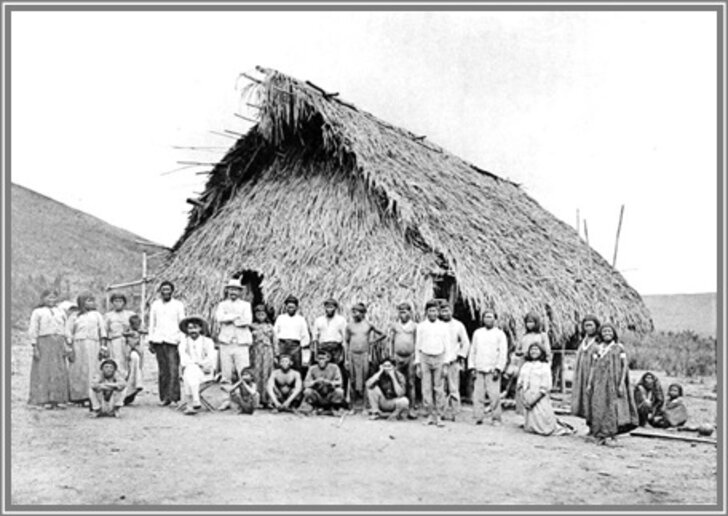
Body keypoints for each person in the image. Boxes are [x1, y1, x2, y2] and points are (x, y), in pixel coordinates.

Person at [586, 323, 639, 445]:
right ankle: (600, 435)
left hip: (613, 382)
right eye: (604, 332)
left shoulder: (619, 347)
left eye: (609, 332)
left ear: (614, 333)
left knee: (612, 407)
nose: (607, 334)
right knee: (598, 406)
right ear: (600, 334)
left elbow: (625, 365)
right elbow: (593, 367)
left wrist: (621, 384)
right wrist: (589, 383)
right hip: (599, 382)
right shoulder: (597, 348)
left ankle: (612, 435)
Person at [28, 289, 71, 409]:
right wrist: (34, 346)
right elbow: (33, 329)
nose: (51, 300)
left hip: (59, 342)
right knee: (43, 370)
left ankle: (57, 399)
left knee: (59, 370)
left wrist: (68, 342)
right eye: (48, 297)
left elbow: (66, 327)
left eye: (53, 297)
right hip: (44, 343)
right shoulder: (38, 312)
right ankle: (42, 399)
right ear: (43, 299)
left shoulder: (61, 311)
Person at [518, 342, 572, 435]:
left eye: (536, 349)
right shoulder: (526, 365)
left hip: (539, 396)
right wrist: (523, 397)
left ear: (541, 352)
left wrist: (533, 400)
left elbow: (545, 386)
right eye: (532, 349)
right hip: (527, 394)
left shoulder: (544, 366)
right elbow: (520, 382)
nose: (534, 352)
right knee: (530, 427)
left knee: (544, 428)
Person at [66, 293, 107, 408]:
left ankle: (92, 396)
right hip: (78, 344)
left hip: (94, 344)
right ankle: (78, 397)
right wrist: (69, 348)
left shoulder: (97, 315)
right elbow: (68, 332)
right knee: (78, 370)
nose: (91, 303)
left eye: (93, 300)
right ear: (81, 302)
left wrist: (103, 347)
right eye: (88, 301)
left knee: (92, 369)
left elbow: (102, 332)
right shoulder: (74, 316)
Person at [148, 281, 186, 407]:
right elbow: (152, 323)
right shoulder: (155, 305)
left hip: (173, 340)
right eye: (163, 289)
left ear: (172, 291)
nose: (166, 292)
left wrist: (181, 339)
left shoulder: (178, 305)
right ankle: (164, 397)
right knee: (163, 371)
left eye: (168, 289)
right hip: (159, 340)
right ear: (160, 291)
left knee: (173, 369)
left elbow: (182, 323)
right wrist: (150, 340)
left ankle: (174, 397)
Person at [344, 303, 387, 413]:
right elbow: (347, 342)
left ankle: (364, 406)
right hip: (352, 355)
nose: (354, 314)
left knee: (365, 380)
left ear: (363, 313)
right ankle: (353, 407)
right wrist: (346, 359)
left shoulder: (368, 325)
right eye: (353, 311)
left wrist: (372, 342)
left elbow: (383, 334)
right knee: (352, 381)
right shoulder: (349, 326)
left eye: (357, 312)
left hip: (364, 355)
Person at [468, 309, 508, 425]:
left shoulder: (500, 334)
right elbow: (473, 350)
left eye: (490, 317)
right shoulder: (478, 333)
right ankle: (478, 417)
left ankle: (496, 418)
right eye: (486, 317)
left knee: (494, 395)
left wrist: (498, 368)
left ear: (495, 319)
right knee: (478, 394)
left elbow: (502, 353)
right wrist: (472, 367)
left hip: (492, 369)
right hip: (479, 368)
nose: (488, 319)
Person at [414, 299, 448, 427]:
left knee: (439, 388)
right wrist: (418, 363)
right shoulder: (421, 326)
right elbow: (418, 345)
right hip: (425, 358)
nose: (433, 313)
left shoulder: (443, 326)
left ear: (438, 312)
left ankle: (438, 416)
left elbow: (447, 346)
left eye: (435, 311)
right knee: (426, 388)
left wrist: (445, 364)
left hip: (439, 357)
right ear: (426, 312)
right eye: (430, 311)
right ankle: (429, 415)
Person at [214, 278, 253, 383]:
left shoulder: (246, 305)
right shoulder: (222, 305)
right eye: (231, 289)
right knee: (226, 374)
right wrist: (236, 316)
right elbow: (220, 318)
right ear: (227, 291)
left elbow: (247, 320)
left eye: (236, 290)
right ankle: (226, 397)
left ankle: (244, 396)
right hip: (226, 342)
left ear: (240, 292)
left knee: (243, 371)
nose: (233, 292)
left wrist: (229, 318)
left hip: (241, 343)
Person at [178, 315, 216, 415]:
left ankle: (190, 403)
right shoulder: (183, 343)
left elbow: (211, 358)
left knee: (190, 372)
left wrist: (200, 364)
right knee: (190, 370)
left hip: (204, 372)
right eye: (190, 328)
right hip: (190, 371)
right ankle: (195, 400)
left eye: (195, 328)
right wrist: (193, 364)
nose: (193, 331)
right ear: (186, 330)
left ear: (200, 328)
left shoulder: (208, 342)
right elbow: (183, 359)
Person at [439, 300, 470, 421]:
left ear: (451, 311)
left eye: (447, 310)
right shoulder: (438, 325)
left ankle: (455, 413)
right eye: (442, 311)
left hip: (453, 361)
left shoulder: (458, 325)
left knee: (453, 388)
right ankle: (441, 412)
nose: (445, 313)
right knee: (441, 388)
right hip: (440, 361)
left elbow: (465, 342)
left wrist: (461, 356)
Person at [388, 302, 418, 419]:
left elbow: (417, 341)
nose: (403, 315)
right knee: (397, 381)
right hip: (397, 357)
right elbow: (391, 341)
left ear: (410, 313)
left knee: (411, 382)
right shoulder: (395, 326)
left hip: (410, 357)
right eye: (401, 312)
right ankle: (398, 407)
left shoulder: (414, 326)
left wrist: (415, 356)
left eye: (405, 312)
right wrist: (392, 354)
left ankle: (411, 407)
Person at [312, 298, 348, 388]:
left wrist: (344, 354)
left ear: (335, 308)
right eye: (327, 307)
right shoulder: (318, 320)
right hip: (323, 348)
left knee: (338, 370)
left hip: (336, 348)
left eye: (331, 307)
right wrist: (316, 353)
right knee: (323, 369)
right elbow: (315, 338)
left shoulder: (341, 320)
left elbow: (345, 338)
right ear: (324, 308)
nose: (329, 309)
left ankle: (340, 393)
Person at [571, 314, 600, 421]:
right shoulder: (583, 341)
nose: (588, 328)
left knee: (592, 398)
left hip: (592, 374)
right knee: (583, 399)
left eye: (591, 325)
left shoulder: (598, 342)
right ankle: (588, 423)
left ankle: (594, 425)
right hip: (581, 374)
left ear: (596, 326)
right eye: (586, 326)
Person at [301, 350, 346, 415]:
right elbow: (305, 383)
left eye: (323, 359)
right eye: (319, 359)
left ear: (327, 359)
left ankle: (334, 407)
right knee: (307, 391)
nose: (321, 361)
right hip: (318, 395)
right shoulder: (312, 368)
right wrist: (315, 382)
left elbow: (340, 382)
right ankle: (314, 406)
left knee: (339, 391)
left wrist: (330, 382)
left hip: (329, 394)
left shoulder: (334, 367)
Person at [273, 295, 310, 372]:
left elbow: (305, 335)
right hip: (283, 345)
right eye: (288, 307)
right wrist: (277, 347)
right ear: (286, 307)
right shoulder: (280, 318)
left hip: (295, 346)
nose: (290, 309)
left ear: (296, 307)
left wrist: (302, 346)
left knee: (296, 367)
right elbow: (275, 333)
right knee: (281, 367)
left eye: (292, 307)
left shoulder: (301, 319)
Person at [250, 304, 276, 408]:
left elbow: (275, 341)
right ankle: (258, 399)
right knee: (257, 374)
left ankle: (268, 399)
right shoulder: (252, 326)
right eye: (258, 314)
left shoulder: (270, 327)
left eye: (263, 314)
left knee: (267, 374)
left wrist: (276, 355)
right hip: (256, 351)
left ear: (266, 315)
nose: (260, 316)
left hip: (267, 351)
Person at [104, 293, 134, 381]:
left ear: (124, 303)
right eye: (115, 301)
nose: (118, 303)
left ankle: (130, 385)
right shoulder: (108, 316)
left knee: (131, 361)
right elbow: (104, 332)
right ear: (112, 303)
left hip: (128, 342)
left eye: (120, 301)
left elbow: (136, 328)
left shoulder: (130, 314)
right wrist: (105, 346)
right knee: (117, 363)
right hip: (114, 342)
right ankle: (118, 383)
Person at [122, 314, 145, 405]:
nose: (137, 326)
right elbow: (124, 334)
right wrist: (129, 333)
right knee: (130, 368)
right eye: (135, 324)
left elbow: (145, 332)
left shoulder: (138, 331)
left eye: (138, 324)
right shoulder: (129, 331)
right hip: (129, 349)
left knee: (137, 364)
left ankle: (137, 384)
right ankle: (130, 389)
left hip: (136, 349)